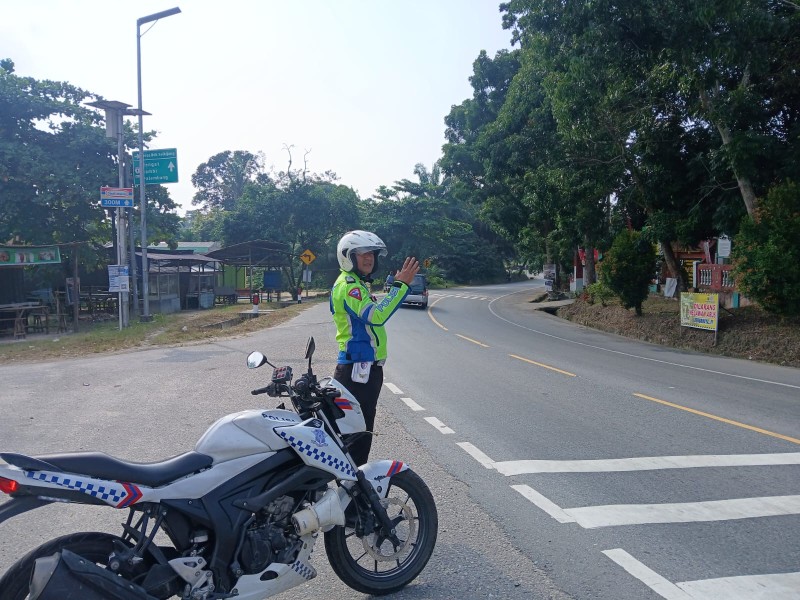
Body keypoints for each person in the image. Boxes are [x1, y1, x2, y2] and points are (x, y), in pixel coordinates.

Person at [330, 230, 419, 465]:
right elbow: (376, 316)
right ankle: (352, 495)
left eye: (372, 253)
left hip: (364, 370)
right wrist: (401, 286)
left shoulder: (358, 284)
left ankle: (350, 493)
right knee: (356, 439)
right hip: (357, 372)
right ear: (348, 256)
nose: (369, 258)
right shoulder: (350, 287)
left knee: (359, 435)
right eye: (362, 253)